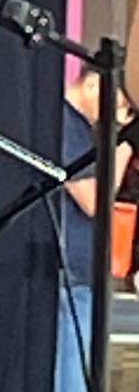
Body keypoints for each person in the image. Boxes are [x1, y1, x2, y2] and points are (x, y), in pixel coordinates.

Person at [54, 70, 134, 392]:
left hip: (80, 269)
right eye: (121, 104)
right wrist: (125, 143)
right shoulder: (64, 126)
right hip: (71, 271)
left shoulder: (79, 128)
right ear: (92, 85)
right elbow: (94, 200)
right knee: (71, 368)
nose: (120, 114)